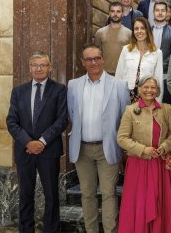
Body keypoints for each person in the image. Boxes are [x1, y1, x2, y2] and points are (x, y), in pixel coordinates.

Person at [67, 43, 130, 233]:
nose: (93, 62)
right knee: (87, 195)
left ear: (103, 59)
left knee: (109, 194)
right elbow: (71, 115)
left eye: (96, 58)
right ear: (83, 62)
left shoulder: (119, 85)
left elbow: (124, 119)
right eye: (89, 59)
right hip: (82, 149)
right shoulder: (73, 85)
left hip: (107, 148)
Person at [6, 52, 68, 233]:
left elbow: (62, 120)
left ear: (50, 67)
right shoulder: (18, 91)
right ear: (29, 68)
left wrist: (41, 141)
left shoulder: (59, 90)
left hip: (48, 151)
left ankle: (51, 230)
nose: (39, 68)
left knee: (51, 196)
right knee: (25, 195)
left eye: (43, 65)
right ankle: (26, 229)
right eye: (35, 65)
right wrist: (28, 142)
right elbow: (11, 121)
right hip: (25, 151)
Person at [117, 75, 171, 233]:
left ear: (158, 91)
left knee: (160, 201)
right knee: (139, 203)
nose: (149, 90)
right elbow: (122, 138)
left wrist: (164, 146)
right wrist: (143, 150)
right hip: (138, 165)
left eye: (153, 87)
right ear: (139, 89)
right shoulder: (130, 110)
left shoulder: (166, 109)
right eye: (146, 87)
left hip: (160, 164)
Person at [115, 17, 164, 102]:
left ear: (147, 30)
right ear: (133, 32)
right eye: (136, 29)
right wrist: (116, 98)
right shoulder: (126, 50)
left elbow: (159, 79)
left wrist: (158, 103)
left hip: (147, 96)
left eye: (142, 28)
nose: (139, 31)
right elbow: (119, 76)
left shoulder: (157, 53)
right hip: (126, 96)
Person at [95, 1, 132, 75]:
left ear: (122, 13)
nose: (115, 14)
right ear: (109, 13)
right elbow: (96, 55)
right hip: (104, 74)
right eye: (112, 11)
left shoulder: (129, 33)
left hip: (123, 74)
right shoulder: (100, 33)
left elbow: (132, 56)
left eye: (118, 11)